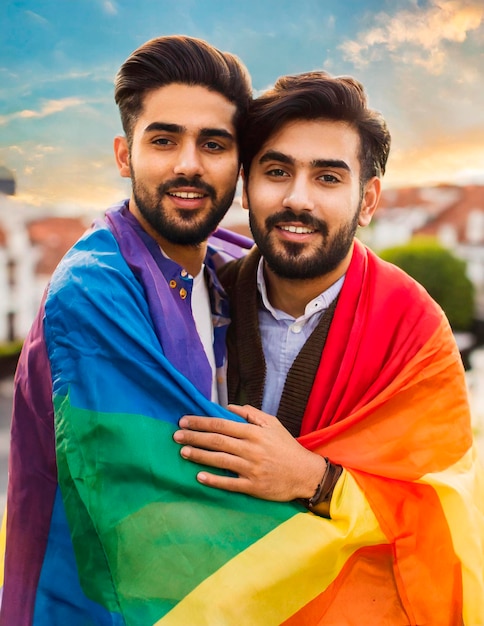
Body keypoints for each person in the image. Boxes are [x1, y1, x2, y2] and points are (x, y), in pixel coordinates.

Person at [173, 72, 484, 624]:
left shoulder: (414, 332)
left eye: (328, 178)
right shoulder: (197, 302)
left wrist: (315, 481)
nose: (297, 199)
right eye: (276, 172)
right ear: (246, 187)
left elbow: (449, 509)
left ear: (367, 199)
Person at [0, 35, 254, 625]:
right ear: (124, 155)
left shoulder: (227, 267)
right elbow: (176, 496)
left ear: (239, 168)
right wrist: (329, 485)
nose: (188, 163)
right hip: (91, 607)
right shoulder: (93, 290)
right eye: (163, 140)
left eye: (213, 144)